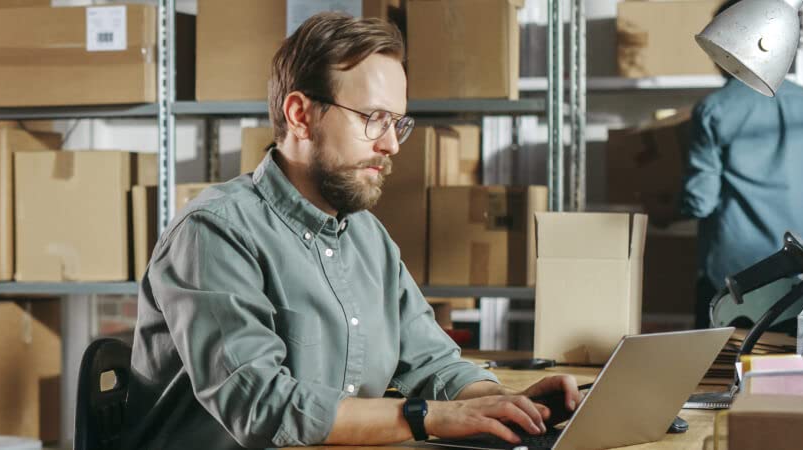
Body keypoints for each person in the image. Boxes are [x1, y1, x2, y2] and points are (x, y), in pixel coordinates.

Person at [123, 12, 581, 449]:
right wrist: (425, 417)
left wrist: (502, 403)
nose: (391, 144)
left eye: (398, 123)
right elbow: (260, 405)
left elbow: (431, 360)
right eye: (373, 118)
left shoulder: (367, 237)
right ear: (301, 114)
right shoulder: (214, 233)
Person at [681, 0, 803, 328]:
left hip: (733, 286)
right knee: (792, 375)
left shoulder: (714, 110)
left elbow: (699, 202)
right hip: (802, 281)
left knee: (724, 376)